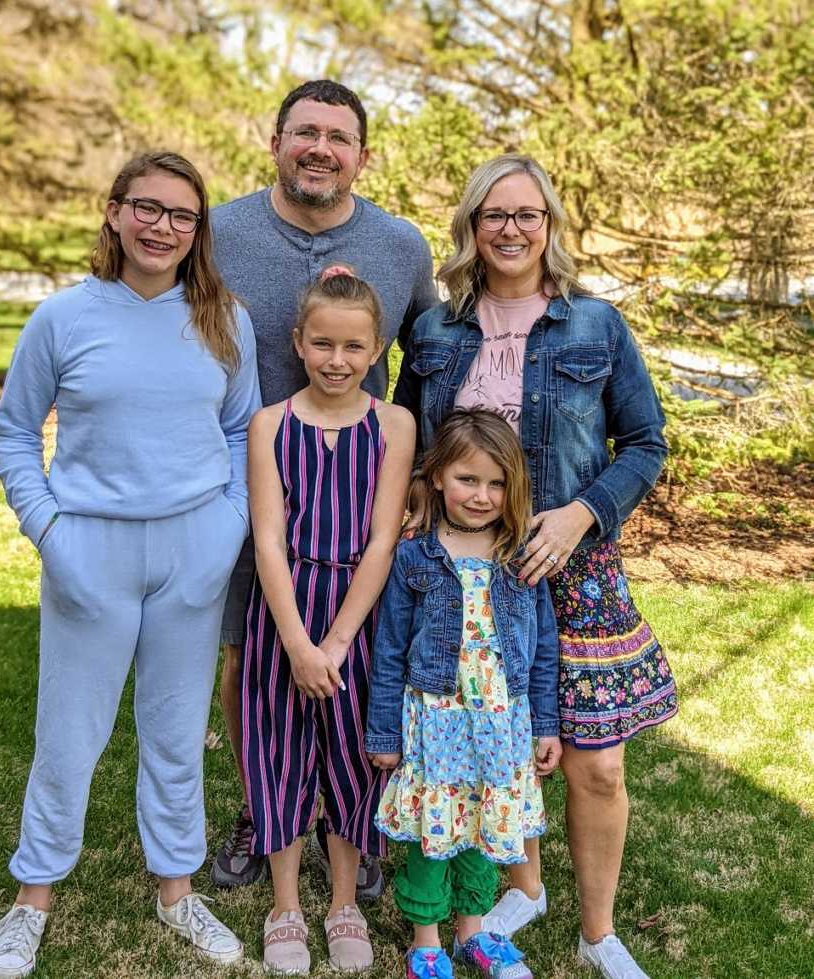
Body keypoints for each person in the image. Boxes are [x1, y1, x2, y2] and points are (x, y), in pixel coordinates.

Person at [393, 154, 677, 979]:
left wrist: (583, 510)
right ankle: (523, 885)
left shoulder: (595, 324)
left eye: (527, 214)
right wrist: (416, 494)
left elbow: (648, 441)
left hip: (573, 563)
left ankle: (598, 931)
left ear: (549, 225)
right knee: (489, 741)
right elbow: (410, 436)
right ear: (471, 228)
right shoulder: (436, 330)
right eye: (493, 215)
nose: (510, 229)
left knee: (596, 758)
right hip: (469, 566)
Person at [0, 151, 260, 978]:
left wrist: (226, 531)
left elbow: (245, 431)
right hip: (90, 549)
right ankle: (32, 897)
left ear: (197, 230)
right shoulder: (64, 318)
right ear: (113, 212)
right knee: (67, 736)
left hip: (193, 550)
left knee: (176, 733)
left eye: (182, 215)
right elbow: (13, 433)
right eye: (147, 207)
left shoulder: (223, 318)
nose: (163, 226)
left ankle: (177, 889)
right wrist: (52, 533)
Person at [210, 78, 437, 896]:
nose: (321, 149)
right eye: (305, 132)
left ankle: (353, 814)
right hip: (246, 484)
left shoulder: (402, 247)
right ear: (275, 142)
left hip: (355, 495)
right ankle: (262, 804)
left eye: (339, 138)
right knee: (249, 659)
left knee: (362, 666)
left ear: (362, 157)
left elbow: (429, 359)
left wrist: (415, 469)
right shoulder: (219, 233)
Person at [240, 269, 415, 973]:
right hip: (284, 608)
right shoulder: (270, 424)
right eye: (322, 343)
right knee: (277, 751)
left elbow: (382, 539)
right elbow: (268, 540)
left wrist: (338, 642)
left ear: (376, 349)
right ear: (298, 342)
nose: (336, 359)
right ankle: (285, 903)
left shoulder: (393, 425)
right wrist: (296, 641)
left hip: (359, 614)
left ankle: (343, 898)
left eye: (353, 346)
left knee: (351, 758)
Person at [366, 408, 561, 979]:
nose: (481, 495)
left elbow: (543, 648)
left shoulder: (521, 554)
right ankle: (427, 944)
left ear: (514, 487)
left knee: (485, 828)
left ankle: (474, 933)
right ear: (437, 480)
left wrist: (546, 726)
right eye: (467, 479)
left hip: (502, 724)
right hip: (436, 722)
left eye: (496, 483)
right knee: (435, 831)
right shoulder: (416, 557)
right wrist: (384, 733)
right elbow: (389, 650)